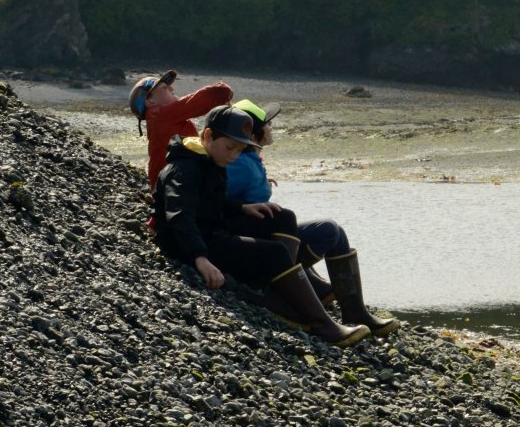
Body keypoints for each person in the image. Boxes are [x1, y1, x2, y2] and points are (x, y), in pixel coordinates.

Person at [152, 104, 371, 347]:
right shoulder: (183, 170)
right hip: (193, 245)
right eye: (230, 147)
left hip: (210, 232)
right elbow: (180, 216)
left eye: (240, 149)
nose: (234, 155)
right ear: (207, 135)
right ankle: (322, 325)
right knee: (275, 252)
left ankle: (278, 289)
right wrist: (200, 258)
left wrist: (241, 208)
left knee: (282, 216)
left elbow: (211, 202)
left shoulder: (210, 159)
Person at [226, 99, 400, 337]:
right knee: (328, 229)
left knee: (336, 232)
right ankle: (291, 287)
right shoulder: (240, 164)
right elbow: (217, 195)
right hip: (257, 241)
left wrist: (261, 185)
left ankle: (348, 307)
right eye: (268, 125)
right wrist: (243, 206)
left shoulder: (250, 160)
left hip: (264, 233)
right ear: (253, 133)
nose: (272, 129)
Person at [128, 69, 232, 192]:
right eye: (164, 88)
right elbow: (197, 101)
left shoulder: (160, 119)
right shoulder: (160, 115)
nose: (172, 89)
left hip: (170, 183)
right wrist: (223, 91)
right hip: (173, 186)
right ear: (150, 102)